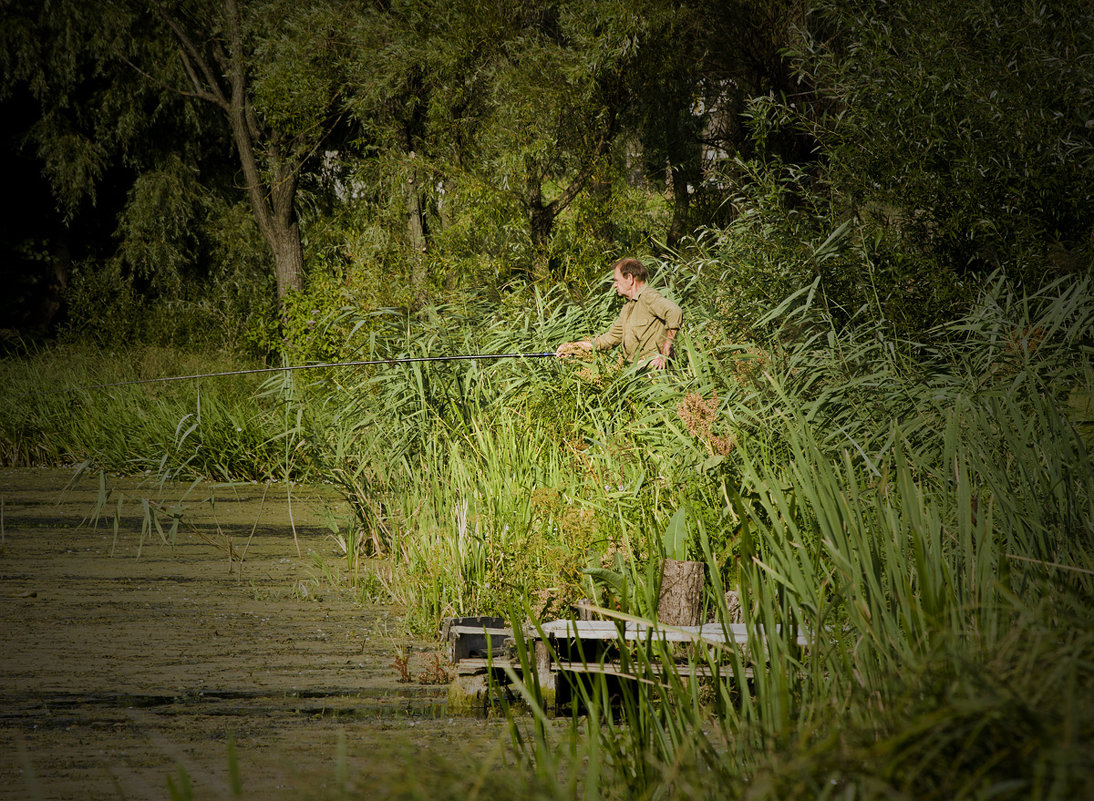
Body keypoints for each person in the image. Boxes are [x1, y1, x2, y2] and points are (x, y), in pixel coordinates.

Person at [556, 257, 682, 370]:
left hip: (659, 375)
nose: (614, 285)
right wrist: (572, 348)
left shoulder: (648, 296)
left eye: (616, 280)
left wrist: (664, 355)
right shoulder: (628, 308)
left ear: (630, 278)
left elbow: (675, 312)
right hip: (639, 374)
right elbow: (607, 340)